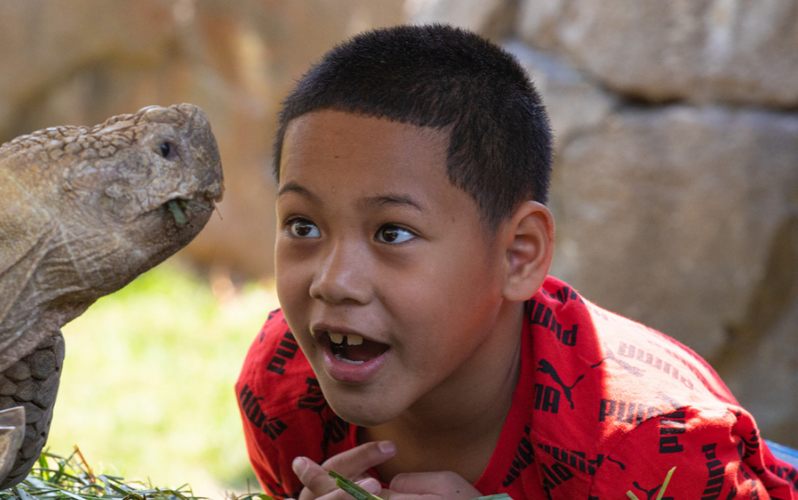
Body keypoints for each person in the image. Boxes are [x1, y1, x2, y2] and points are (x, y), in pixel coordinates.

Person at [235, 24, 798, 500]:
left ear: (518, 255)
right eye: (302, 226)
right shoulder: (285, 393)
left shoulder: (653, 451)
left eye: (392, 232)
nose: (334, 282)